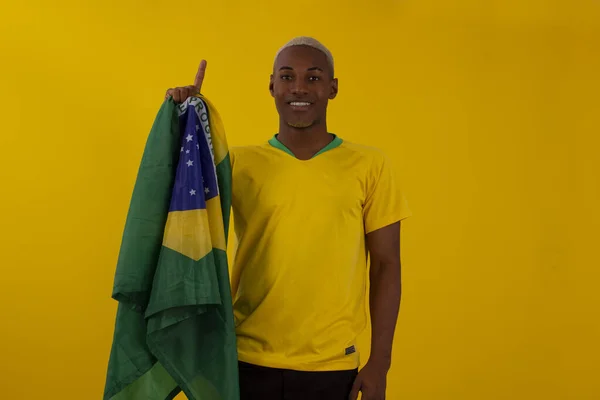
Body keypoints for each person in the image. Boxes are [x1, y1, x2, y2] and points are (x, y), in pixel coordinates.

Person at [165, 36, 411, 400]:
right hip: (245, 360)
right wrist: (183, 120)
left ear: (333, 88)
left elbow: (387, 267)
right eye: (287, 76)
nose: (299, 87)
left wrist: (381, 362)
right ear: (271, 86)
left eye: (313, 78)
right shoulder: (236, 164)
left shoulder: (370, 166)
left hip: (331, 366)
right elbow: (180, 209)